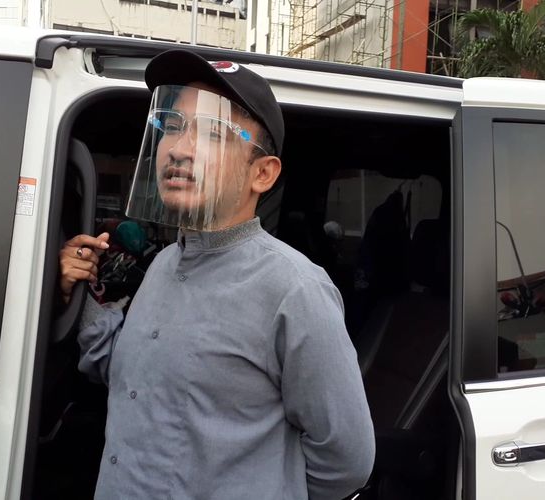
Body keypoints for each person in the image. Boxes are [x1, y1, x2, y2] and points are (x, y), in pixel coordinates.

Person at [58, 49, 375, 500]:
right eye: (172, 126)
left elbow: (346, 461)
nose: (179, 148)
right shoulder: (165, 264)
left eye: (212, 132)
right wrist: (78, 291)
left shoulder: (295, 289)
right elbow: (130, 378)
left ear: (262, 173)